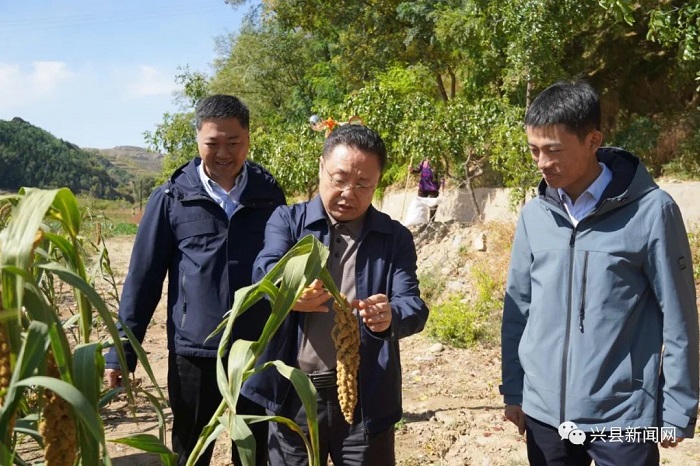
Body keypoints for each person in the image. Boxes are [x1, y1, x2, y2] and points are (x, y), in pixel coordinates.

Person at [500, 81, 699, 466]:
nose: (541, 163)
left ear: (593, 140)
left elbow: (679, 317)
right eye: (534, 150)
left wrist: (678, 406)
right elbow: (518, 311)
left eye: (553, 150)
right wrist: (514, 389)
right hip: (544, 415)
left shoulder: (652, 212)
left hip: (622, 414)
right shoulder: (535, 215)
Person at [104, 94, 286, 466]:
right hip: (194, 353)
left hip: (255, 349)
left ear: (248, 139)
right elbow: (143, 280)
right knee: (190, 452)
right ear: (198, 139)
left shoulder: (269, 195)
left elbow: (286, 269)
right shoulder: (172, 197)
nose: (224, 153)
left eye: (233, 142)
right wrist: (122, 352)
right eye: (212, 143)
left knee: (254, 453)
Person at [243, 124, 429, 465]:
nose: (348, 193)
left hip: (366, 399)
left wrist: (390, 316)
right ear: (321, 167)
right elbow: (265, 270)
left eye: (363, 185)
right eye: (339, 179)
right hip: (294, 397)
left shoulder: (394, 237)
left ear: (378, 183)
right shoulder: (288, 222)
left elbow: (412, 305)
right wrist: (287, 293)